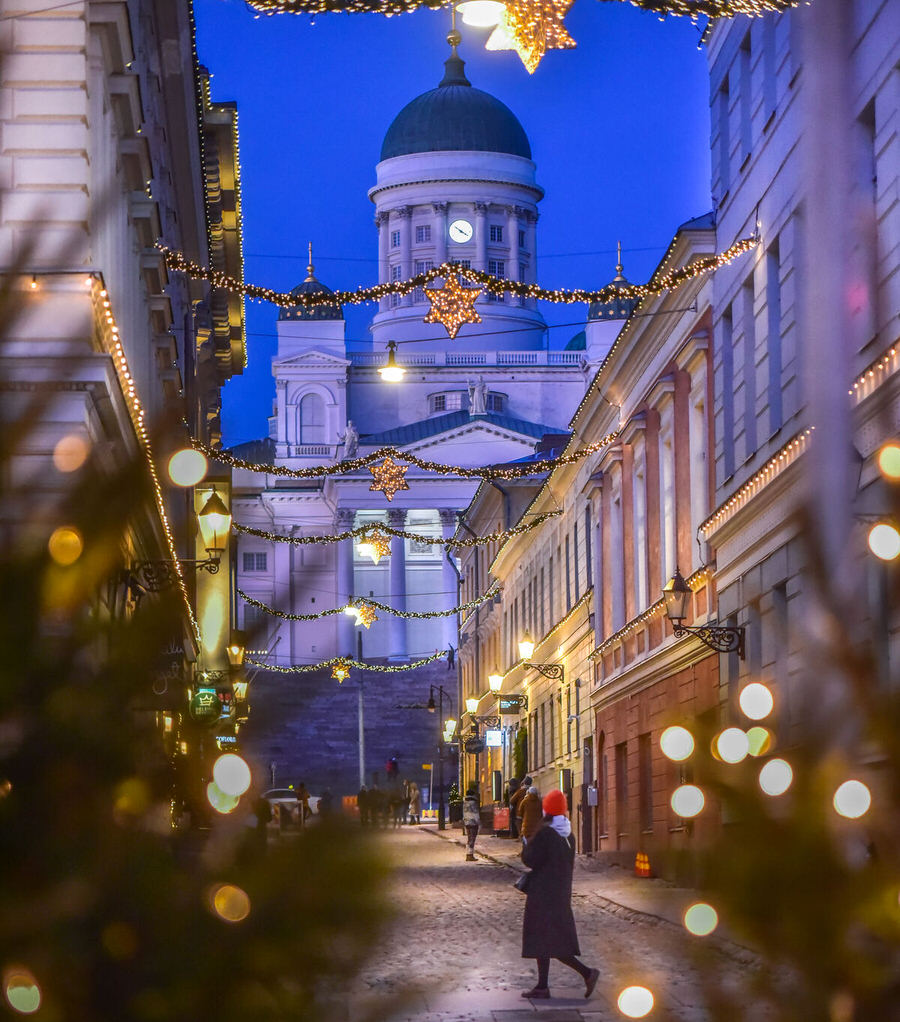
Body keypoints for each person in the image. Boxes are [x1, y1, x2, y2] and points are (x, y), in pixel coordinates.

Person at [520, 790, 600, 1001]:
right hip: (560, 893)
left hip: (542, 894)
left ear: (546, 809)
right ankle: (542, 986)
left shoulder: (546, 832)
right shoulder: (568, 834)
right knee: (545, 940)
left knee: (551, 941)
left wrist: (527, 845)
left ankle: (587, 973)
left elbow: (530, 859)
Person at [462, 784, 481, 861]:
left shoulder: (465, 803)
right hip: (473, 822)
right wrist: (479, 822)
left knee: (469, 838)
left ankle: (468, 854)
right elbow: (475, 813)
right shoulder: (473, 803)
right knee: (472, 839)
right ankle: (470, 855)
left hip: (467, 822)